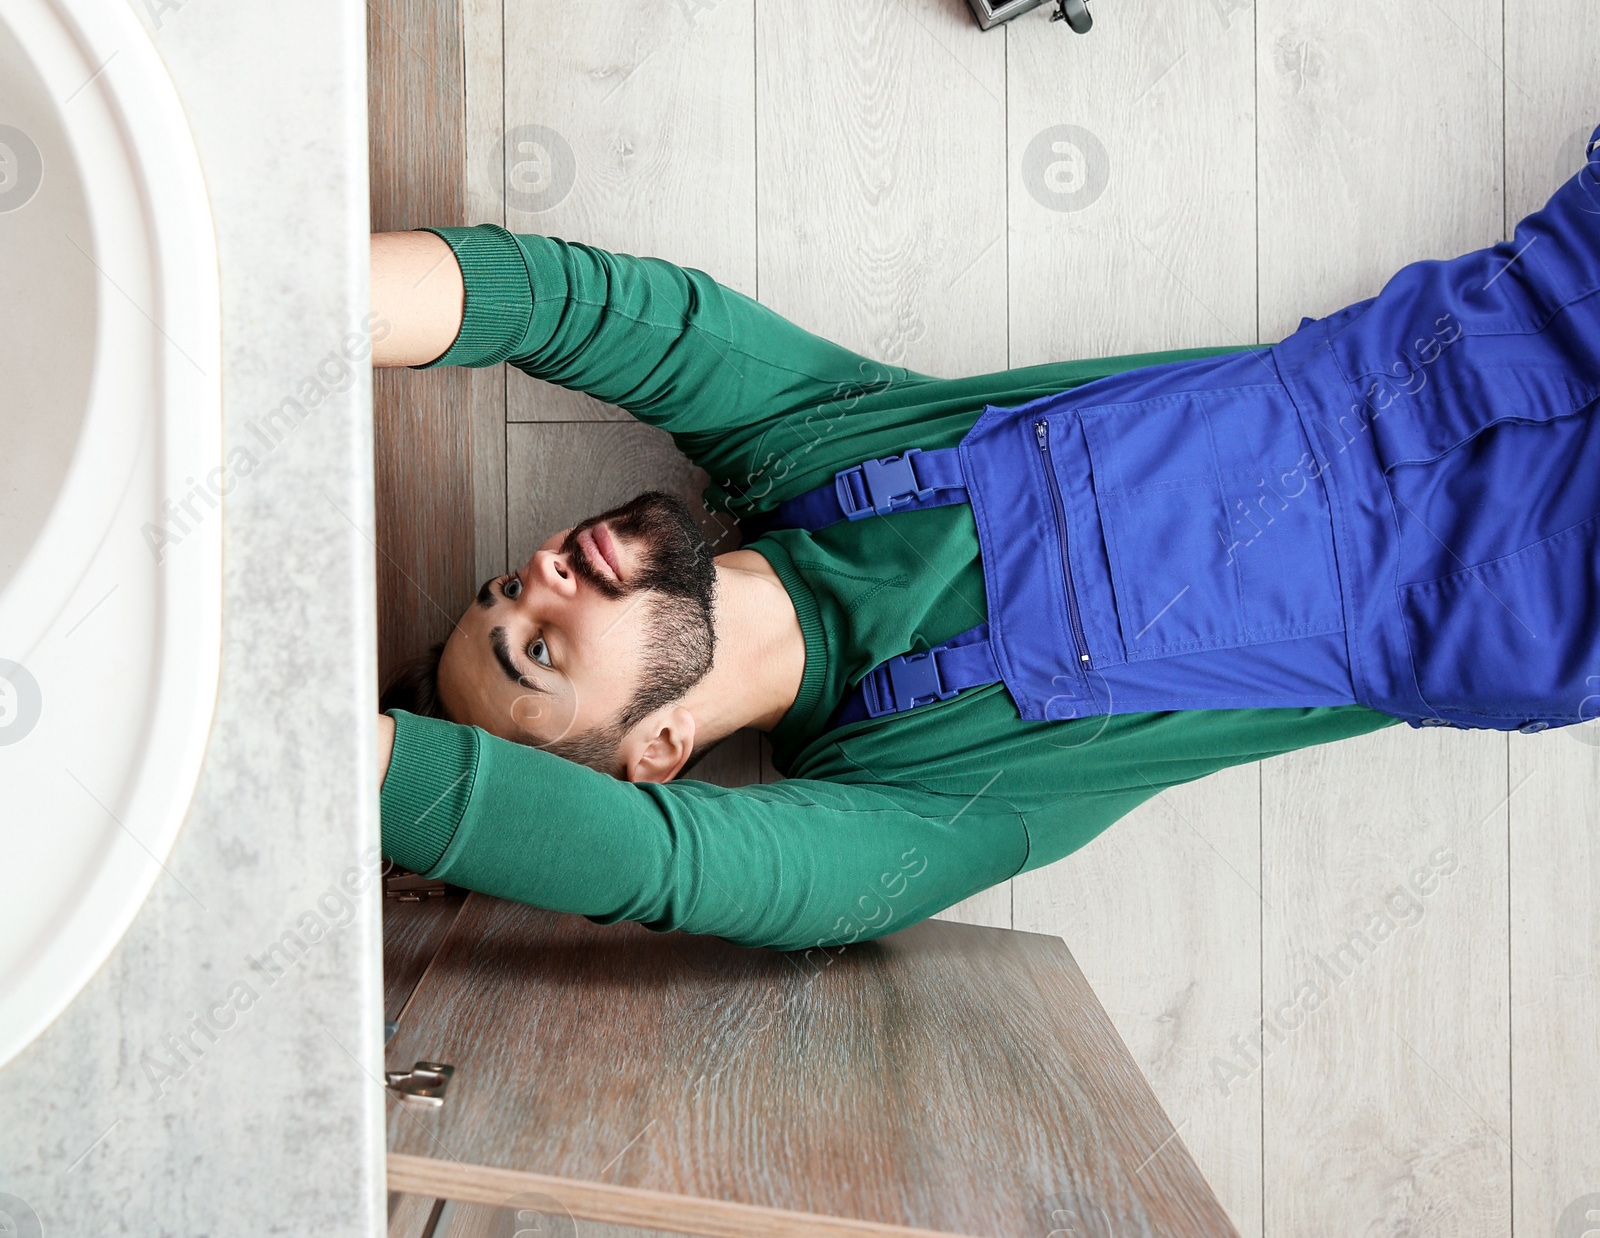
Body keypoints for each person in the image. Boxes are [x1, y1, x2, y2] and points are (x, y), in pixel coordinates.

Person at [373, 130, 1600, 950]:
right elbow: (651, 866)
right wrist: (318, 758)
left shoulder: (812, 447)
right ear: (657, 751)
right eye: (539, 650)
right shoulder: (916, 808)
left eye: (502, 590)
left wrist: (266, 299)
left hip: (1523, 315)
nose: (538, 577)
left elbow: (579, 306)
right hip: (1545, 575)